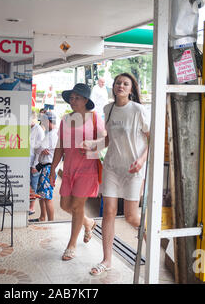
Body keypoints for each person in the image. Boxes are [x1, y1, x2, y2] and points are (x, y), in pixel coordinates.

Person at [83, 73, 150, 276]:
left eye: (125, 83)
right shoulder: (108, 108)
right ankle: (107, 259)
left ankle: (152, 237)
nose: (121, 86)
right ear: (113, 87)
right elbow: (108, 141)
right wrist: (93, 145)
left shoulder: (138, 110)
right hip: (112, 167)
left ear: (131, 89)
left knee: (131, 216)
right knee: (108, 212)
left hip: (132, 170)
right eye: (118, 83)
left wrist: (141, 160)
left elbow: (151, 139)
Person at [49, 83, 105, 261]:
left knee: (77, 206)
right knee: (65, 205)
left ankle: (71, 245)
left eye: (77, 98)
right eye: (71, 98)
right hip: (69, 169)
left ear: (86, 100)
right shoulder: (66, 119)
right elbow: (60, 146)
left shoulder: (95, 118)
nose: (72, 101)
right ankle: (88, 222)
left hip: (88, 169)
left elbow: (105, 140)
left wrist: (93, 145)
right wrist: (52, 169)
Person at [33, 111, 59, 222]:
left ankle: (51, 222)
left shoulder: (53, 134)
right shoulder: (50, 133)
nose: (42, 124)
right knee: (42, 195)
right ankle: (42, 217)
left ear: (48, 121)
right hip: (45, 167)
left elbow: (38, 148)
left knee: (47, 197)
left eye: (43, 121)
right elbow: (38, 149)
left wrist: (40, 149)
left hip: (48, 168)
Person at [29, 111, 45, 215]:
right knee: (28, 185)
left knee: (33, 185)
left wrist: (35, 165)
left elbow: (40, 150)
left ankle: (31, 208)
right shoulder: (28, 128)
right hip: (27, 162)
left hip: (34, 163)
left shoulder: (38, 130)